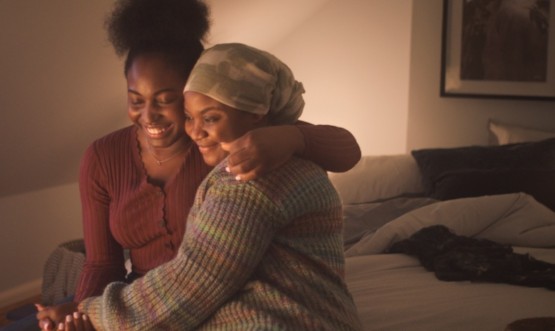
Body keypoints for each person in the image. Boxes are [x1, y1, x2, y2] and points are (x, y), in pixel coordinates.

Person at [30, 0, 360, 329]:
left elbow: (346, 150)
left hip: (201, 298)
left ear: (193, 89)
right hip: (145, 300)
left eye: (165, 99)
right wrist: (80, 313)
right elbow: (102, 264)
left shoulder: (243, 150)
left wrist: (293, 137)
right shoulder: (103, 156)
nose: (148, 116)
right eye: (136, 100)